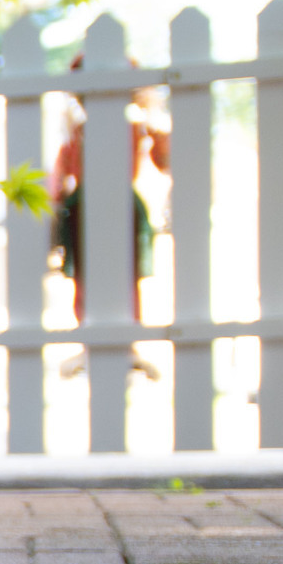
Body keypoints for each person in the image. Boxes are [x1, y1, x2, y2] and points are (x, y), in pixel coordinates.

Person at [49, 51, 171, 379]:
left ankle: (128, 344)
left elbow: (166, 160)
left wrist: (153, 114)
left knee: (128, 275)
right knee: (84, 277)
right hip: (82, 208)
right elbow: (59, 176)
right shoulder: (77, 130)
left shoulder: (135, 127)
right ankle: (89, 343)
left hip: (123, 205)